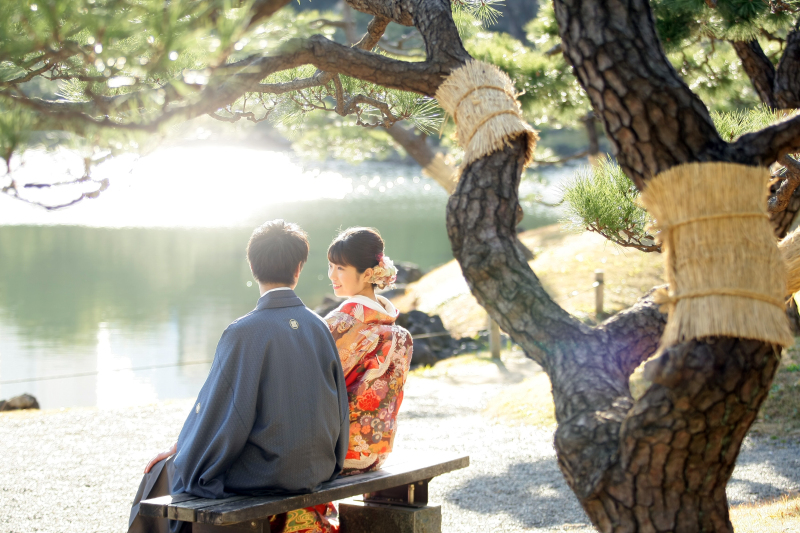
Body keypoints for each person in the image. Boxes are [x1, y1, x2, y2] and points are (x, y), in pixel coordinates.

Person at [128, 220, 349, 533]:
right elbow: (339, 409)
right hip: (319, 468)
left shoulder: (244, 332)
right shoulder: (319, 327)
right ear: (298, 268)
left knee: (163, 472)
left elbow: (220, 416)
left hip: (266, 474)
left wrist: (183, 450)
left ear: (252, 265)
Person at [281, 227, 413, 533]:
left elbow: (302, 382)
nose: (332, 275)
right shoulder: (395, 328)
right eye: (331, 265)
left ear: (368, 273)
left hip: (339, 455)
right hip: (375, 451)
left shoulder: (344, 323)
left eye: (341, 268)